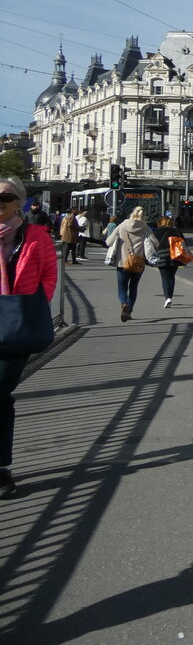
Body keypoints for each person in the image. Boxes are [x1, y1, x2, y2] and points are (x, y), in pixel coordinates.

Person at [0, 177, 58, 500]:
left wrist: (37, 303)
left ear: (19, 202)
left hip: (17, 325)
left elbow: (50, 273)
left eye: (5, 198)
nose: (0, 204)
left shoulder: (36, 237)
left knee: (1, 388)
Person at [106, 206, 158, 322]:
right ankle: (129, 311)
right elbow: (156, 243)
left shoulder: (121, 226)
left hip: (122, 263)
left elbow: (108, 241)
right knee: (133, 287)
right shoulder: (146, 228)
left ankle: (124, 304)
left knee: (122, 287)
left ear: (131, 214)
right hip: (139, 262)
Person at [154, 215, 187, 307]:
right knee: (171, 277)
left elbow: (153, 244)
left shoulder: (157, 232)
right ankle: (170, 297)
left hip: (162, 256)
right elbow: (184, 242)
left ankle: (167, 297)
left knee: (164, 278)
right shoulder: (176, 231)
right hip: (175, 256)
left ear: (161, 223)